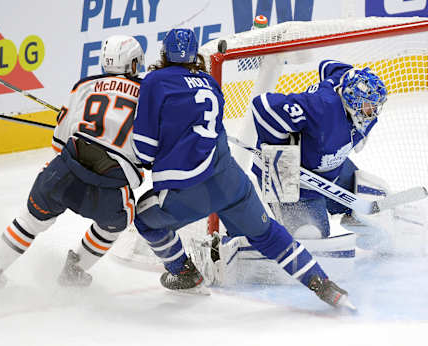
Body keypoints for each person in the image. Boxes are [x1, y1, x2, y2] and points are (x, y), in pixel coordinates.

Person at [131, 28, 355, 310]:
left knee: (144, 218)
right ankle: (325, 286)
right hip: (231, 182)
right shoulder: (210, 82)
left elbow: (144, 150)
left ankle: (184, 273)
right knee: (269, 235)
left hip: (187, 190)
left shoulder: (154, 81)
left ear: (164, 53)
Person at [0, 35, 145, 289]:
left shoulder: (83, 86)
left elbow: (59, 143)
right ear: (132, 64)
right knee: (118, 220)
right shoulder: (147, 95)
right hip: (106, 190)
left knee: (30, 219)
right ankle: (74, 270)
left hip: (63, 176)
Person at [250, 60, 388, 239]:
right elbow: (264, 106)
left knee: (375, 204)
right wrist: (283, 158)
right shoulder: (321, 107)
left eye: (375, 106)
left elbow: (328, 65)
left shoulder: (347, 86)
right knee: (309, 236)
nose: (373, 111)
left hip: (332, 167)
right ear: (352, 100)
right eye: (368, 106)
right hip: (295, 184)